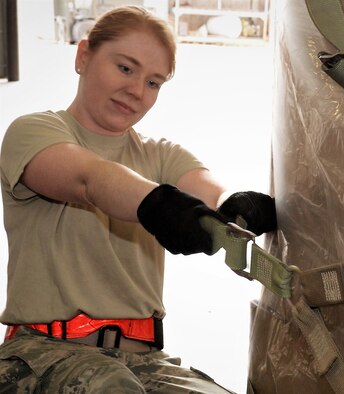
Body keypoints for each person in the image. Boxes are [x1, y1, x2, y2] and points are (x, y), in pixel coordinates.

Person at [0, 5, 276, 393]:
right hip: (44, 355)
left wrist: (237, 204)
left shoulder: (161, 155)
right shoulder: (34, 132)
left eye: (153, 83)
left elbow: (210, 190)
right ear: (83, 57)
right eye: (125, 68)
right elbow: (89, 179)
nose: (136, 91)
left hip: (146, 361)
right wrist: (158, 204)